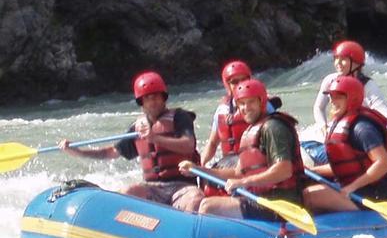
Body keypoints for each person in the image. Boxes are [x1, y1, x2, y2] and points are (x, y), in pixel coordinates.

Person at [59, 71, 203, 211]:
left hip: (182, 186)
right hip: (152, 187)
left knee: (195, 198)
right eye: (147, 98)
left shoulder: (180, 117)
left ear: (163, 98)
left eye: (156, 97)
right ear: (141, 102)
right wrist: (78, 152)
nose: (152, 102)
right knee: (128, 191)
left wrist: (155, 138)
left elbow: (188, 145)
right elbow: (111, 152)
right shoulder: (137, 128)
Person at [180, 79, 305, 219]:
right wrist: (198, 170)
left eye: (251, 102)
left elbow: (284, 170)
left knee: (208, 207)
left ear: (262, 102)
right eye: (242, 103)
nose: (246, 108)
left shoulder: (273, 127)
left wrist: (244, 182)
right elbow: (237, 173)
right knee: (206, 202)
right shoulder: (249, 132)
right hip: (256, 197)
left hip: (280, 202)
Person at [303, 75, 387, 212]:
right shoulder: (341, 123)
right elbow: (348, 165)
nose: (333, 102)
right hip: (355, 188)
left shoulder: (362, 129)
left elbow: (383, 164)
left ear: (352, 99)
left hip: (374, 195)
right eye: (332, 97)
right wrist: (314, 170)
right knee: (306, 183)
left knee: (309, 196)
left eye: (338, 97)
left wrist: (351, 187)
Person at [312, 40, 387, 138]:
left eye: (343, 59)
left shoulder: (368, 86)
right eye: (336, 58)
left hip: (360, 129)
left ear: (357, 63)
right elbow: (318, 108)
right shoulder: (330, 80)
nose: (338, 63)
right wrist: (323, 127)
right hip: (339, 128)